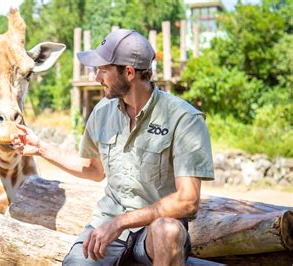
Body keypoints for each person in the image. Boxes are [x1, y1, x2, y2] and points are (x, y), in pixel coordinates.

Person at [11, 29, 214, 265]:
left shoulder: (184, 118)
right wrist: (41, 148)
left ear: (128, 72)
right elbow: (94, 170)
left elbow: (188, 200)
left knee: (168, 230)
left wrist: (121, 223)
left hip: (152, 231)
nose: (96, 78)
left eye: (103, 70)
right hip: (106, 223)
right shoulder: (102, 112)